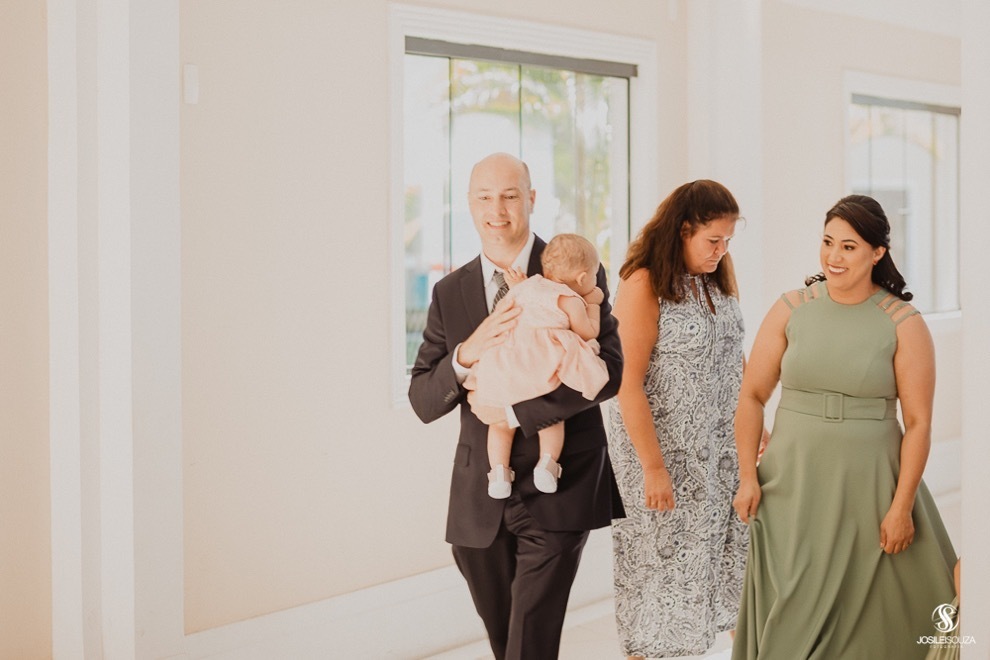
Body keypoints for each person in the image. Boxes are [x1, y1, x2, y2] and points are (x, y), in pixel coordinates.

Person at [408, 152, 626, 659]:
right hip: (480, 495)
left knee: (531, 643)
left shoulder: (575, 265)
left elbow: (608, 371)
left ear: (531, 199)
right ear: (469, 203)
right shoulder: (449, 291)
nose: (497, 210)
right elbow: (423, 399)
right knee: (507, 643)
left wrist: (516, 415)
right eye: (484, 197)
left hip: (562, 481)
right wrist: (467, 354)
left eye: (509, 196)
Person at [731, 195, 957, 659]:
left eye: (849, 247)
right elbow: (751, 396)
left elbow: (918, 424)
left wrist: (901, 507)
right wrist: (747, 477)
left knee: (870, 622)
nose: (833, 256)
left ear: (877, 252)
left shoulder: (904, 323)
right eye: (828, 242)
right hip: (791, 484)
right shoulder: (792, 308)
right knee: (789, 607)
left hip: (869, 489)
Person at [605, 180, 749, 658]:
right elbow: (627, 383)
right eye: (714, 240)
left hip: (719, 454)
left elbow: (732, 352)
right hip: (663, 456)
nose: (721, 250)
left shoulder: (714, 277)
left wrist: (753, 423)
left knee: (730, 564)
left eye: (728, 240)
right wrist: (653, 467)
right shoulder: (643, 283)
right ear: (684, 230)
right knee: (659, 576)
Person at [465, 233, 610, 499]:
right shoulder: (570, 299)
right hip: (535, 364)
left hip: (503, 362)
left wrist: (519, 284)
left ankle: (498, 473)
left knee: (499, 424)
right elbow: (588, 332)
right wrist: (593, 304)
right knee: (550, 420)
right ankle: (547, 465)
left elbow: (521, 296)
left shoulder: (529, 285)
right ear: (582, 278)